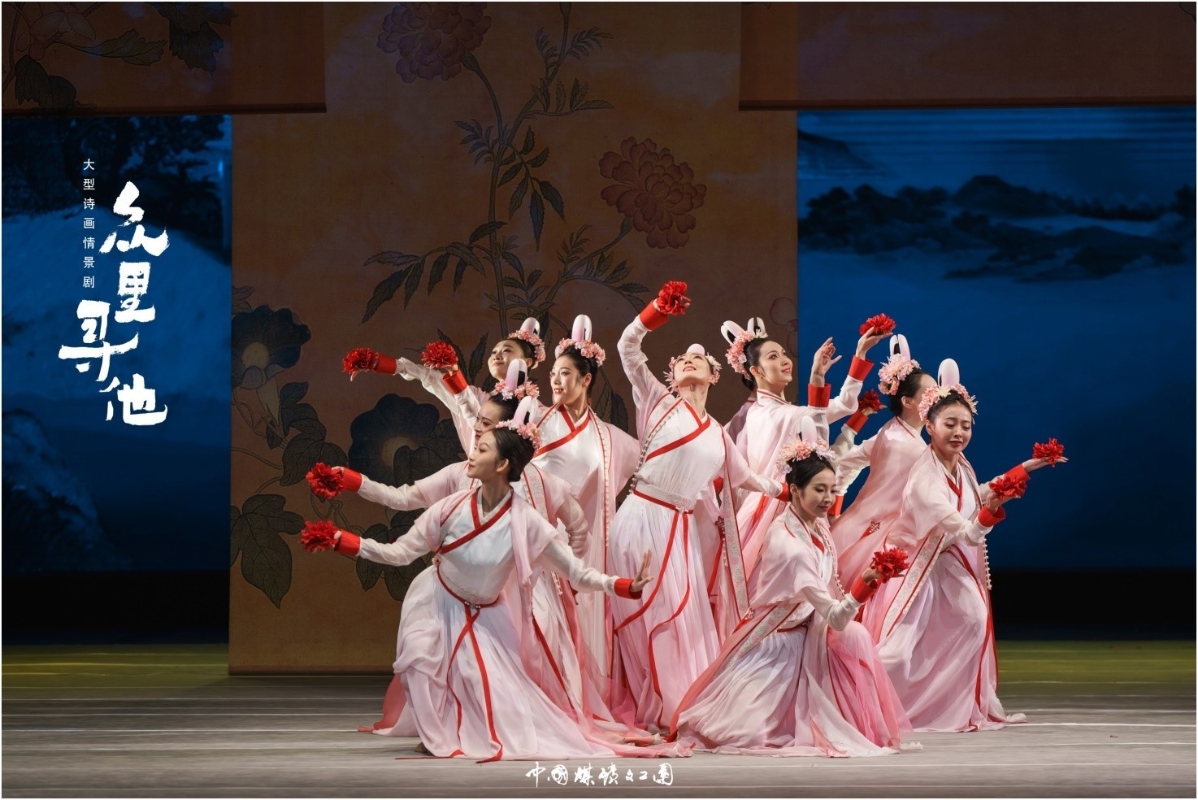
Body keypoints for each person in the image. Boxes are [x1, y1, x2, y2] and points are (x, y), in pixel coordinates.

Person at [302, 399, 686, 761]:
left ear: (503, 463)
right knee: (420, 660)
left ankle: (459, 732)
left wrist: (623, 585)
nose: (473, 445)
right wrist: (342, 538)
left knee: (504, 706)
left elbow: (576, 570)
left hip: (487, 613)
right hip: (438, 598)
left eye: (484, 441)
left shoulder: (528, 520)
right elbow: (399, 551)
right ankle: (437, 736)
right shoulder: (450, 505)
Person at [305, 364, 592, 734]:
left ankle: (507, 729)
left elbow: (577, 529)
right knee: (434, 655)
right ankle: (448, 728)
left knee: (520, 675)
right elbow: (403, 498)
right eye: (479, 421)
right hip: (458, 589)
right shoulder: (461, 474)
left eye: (486, 424)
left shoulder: (542, 482)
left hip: (525, 594)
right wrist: (351, 480)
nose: (476, 428)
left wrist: (567, 578)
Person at [672, 419, 913, 756]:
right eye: (819, 490)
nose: (828, 498)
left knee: (856, 637)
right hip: (776, 641)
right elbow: (837, 617)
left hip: (806, 630)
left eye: (831, 489)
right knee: (743, 733)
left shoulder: (812, 524)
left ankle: (854, 719)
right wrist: (866, 583)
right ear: (795, 490)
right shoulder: (791, 546)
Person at [608, 281, 788, 732]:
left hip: (680, 532)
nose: (689, 359)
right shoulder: (657, 401)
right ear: (672, 374)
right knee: (645, 614)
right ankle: (653, 705)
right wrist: (656, 311)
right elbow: (628, 346)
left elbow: (749, 479)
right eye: (682, 359)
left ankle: (681, 705)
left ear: (714, 375)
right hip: (641, 517)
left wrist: (792, 490)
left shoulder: (717, 433)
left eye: (700, 359)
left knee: (683, 619)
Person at [860, 360, 1065, 732]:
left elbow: (975, 495)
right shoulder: (926, 478)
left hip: (942, 562)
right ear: (930, 426)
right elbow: (968, 532)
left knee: (973, 619)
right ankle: (856, 703)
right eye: (950, 424)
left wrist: (1025, 468)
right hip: (913, 569)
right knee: (897, 652)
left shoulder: (958, 463)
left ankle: (950, 707)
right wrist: (994, 510)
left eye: (965, 425)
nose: (959, 432)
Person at [720, 316, 886, 585]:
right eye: (773, 357)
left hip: (792, 505)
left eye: (783, 354)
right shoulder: (767, 414)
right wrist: (817, 377)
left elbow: (842, 406)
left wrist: (860, 355)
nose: (784, 360)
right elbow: (818, 439)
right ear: (757, 371)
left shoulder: (782, 411)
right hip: (777, 510)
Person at [342, 317, 546, 452]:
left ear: (527, 362)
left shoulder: (540, 413)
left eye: (507, 350)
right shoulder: (477, 397)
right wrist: (376, 362)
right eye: (493, 352)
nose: (496, 356)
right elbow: (429, 376)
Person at [829, 334, 938, 580]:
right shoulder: (915, 450)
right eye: (930, 394)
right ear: (907, 401)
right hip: (879, 541)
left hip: (850, 528)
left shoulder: (889, 430)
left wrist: (835, 507)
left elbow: (846, 464)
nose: (938, 399)